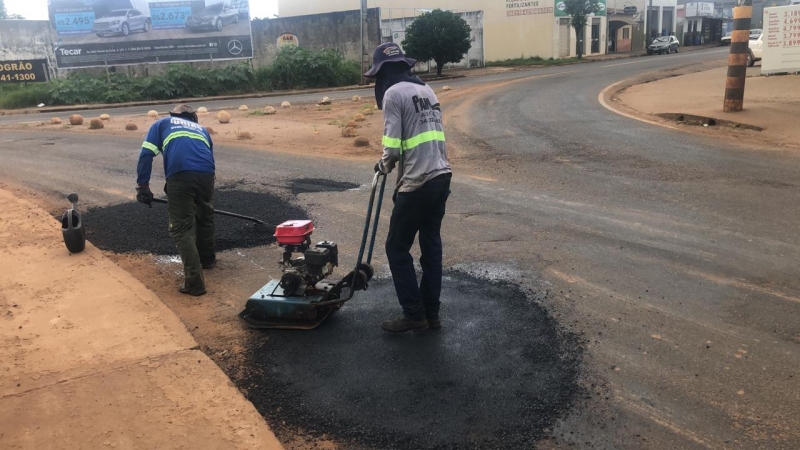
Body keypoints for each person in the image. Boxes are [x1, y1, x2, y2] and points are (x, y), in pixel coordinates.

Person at [364, 43, 452, 333]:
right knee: (431, 247)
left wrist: (383, 167)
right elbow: (422, 141)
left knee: (396, 247)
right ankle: (432, 314)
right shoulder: (426, 90)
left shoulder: (392, 93)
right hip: (441, 176)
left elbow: (392, 148)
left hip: (419, 183)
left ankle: (413, 314)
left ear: (383, 72)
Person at [135, 104, 216, 296]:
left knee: (181, 227)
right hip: (207, 174)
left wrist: (143, 186)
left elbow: (146, 154)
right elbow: (207, 158)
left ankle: (195, 283)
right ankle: (207, 260)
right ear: (193, 118)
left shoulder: (162, 123)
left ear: (174, 115)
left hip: (180, 173)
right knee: (205, 216)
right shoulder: (202, 130)